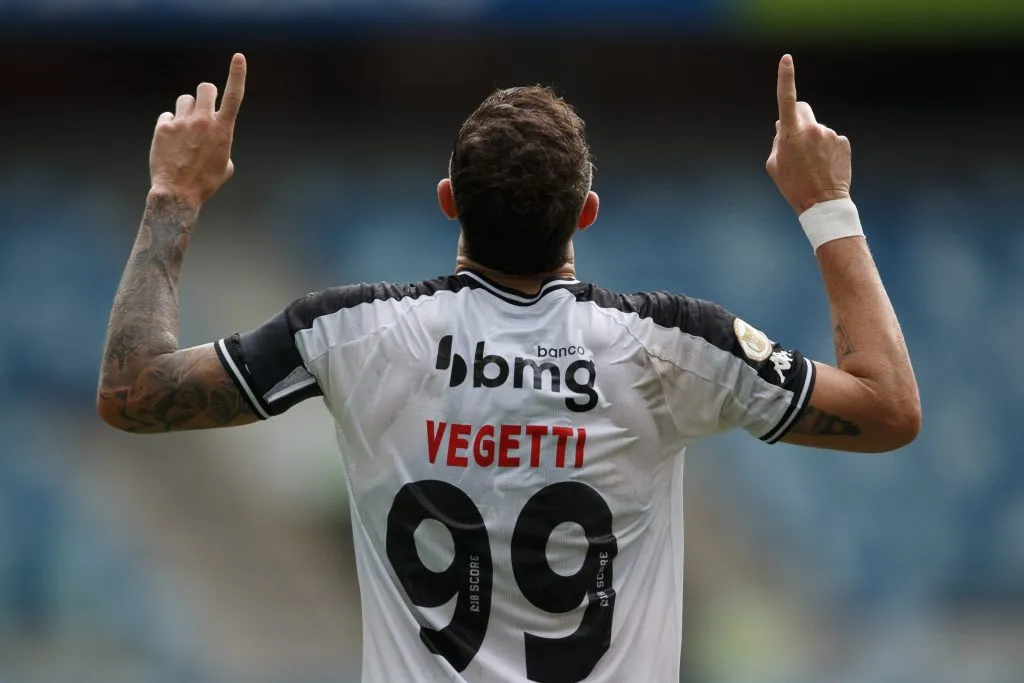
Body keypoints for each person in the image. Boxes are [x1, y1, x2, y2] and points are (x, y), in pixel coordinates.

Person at [97, 53, 920, 683]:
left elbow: (132, 392)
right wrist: (826, 205)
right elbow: (888, 406)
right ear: (586, 215)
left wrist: (174, 194)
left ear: (448, 201)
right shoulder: (669, 345)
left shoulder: (351, 333)